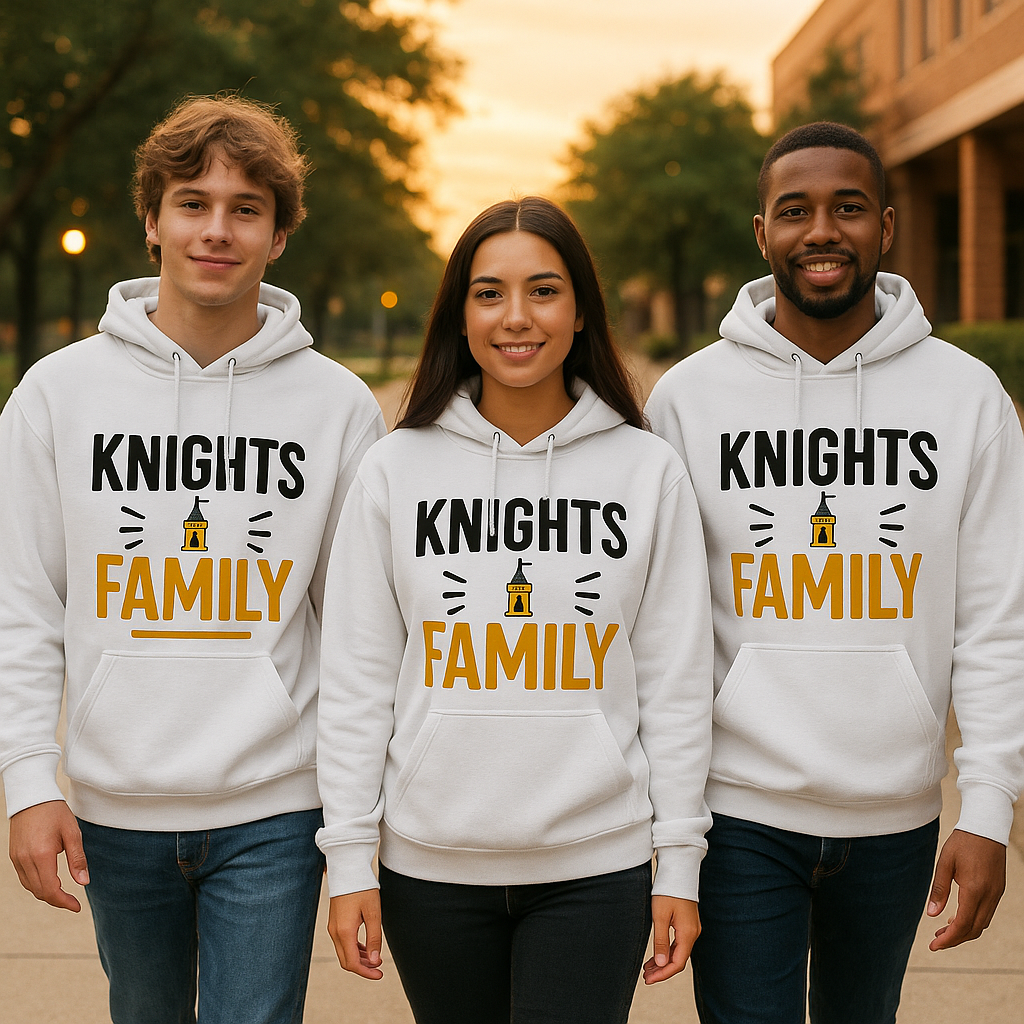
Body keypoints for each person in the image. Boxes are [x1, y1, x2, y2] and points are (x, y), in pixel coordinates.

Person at [0, 95, 385, 1023]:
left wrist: (354, 832)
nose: (216, 229)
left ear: (279, 236)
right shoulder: (57, 395)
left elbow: (362, 634)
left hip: (275, 806)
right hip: (112, 807)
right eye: (192, 201)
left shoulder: (336, 409)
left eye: (246, 208)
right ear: (151, 219)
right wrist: (24, 779)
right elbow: (20, 601)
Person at [645, 121, 1024, 1023]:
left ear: (886, 228)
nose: (822, 230)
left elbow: (997, 615)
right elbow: (655, 629)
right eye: (795, 211)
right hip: (736, 815)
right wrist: (666, 833)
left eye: (848, 208)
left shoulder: (966, 397)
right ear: (762, 233)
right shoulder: (688, 401)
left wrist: (989, 806)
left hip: (895, 813)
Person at [315, 196, 714, 1024]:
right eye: (489, 293)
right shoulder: (394, 471)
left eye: (544, 290)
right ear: (460, 316)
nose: (516, 317)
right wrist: (352, 858)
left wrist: (678, 861)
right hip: (431, 866)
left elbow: (677, 684)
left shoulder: (647, 471)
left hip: (595, 863)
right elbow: (357, 682)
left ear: (580, 314)